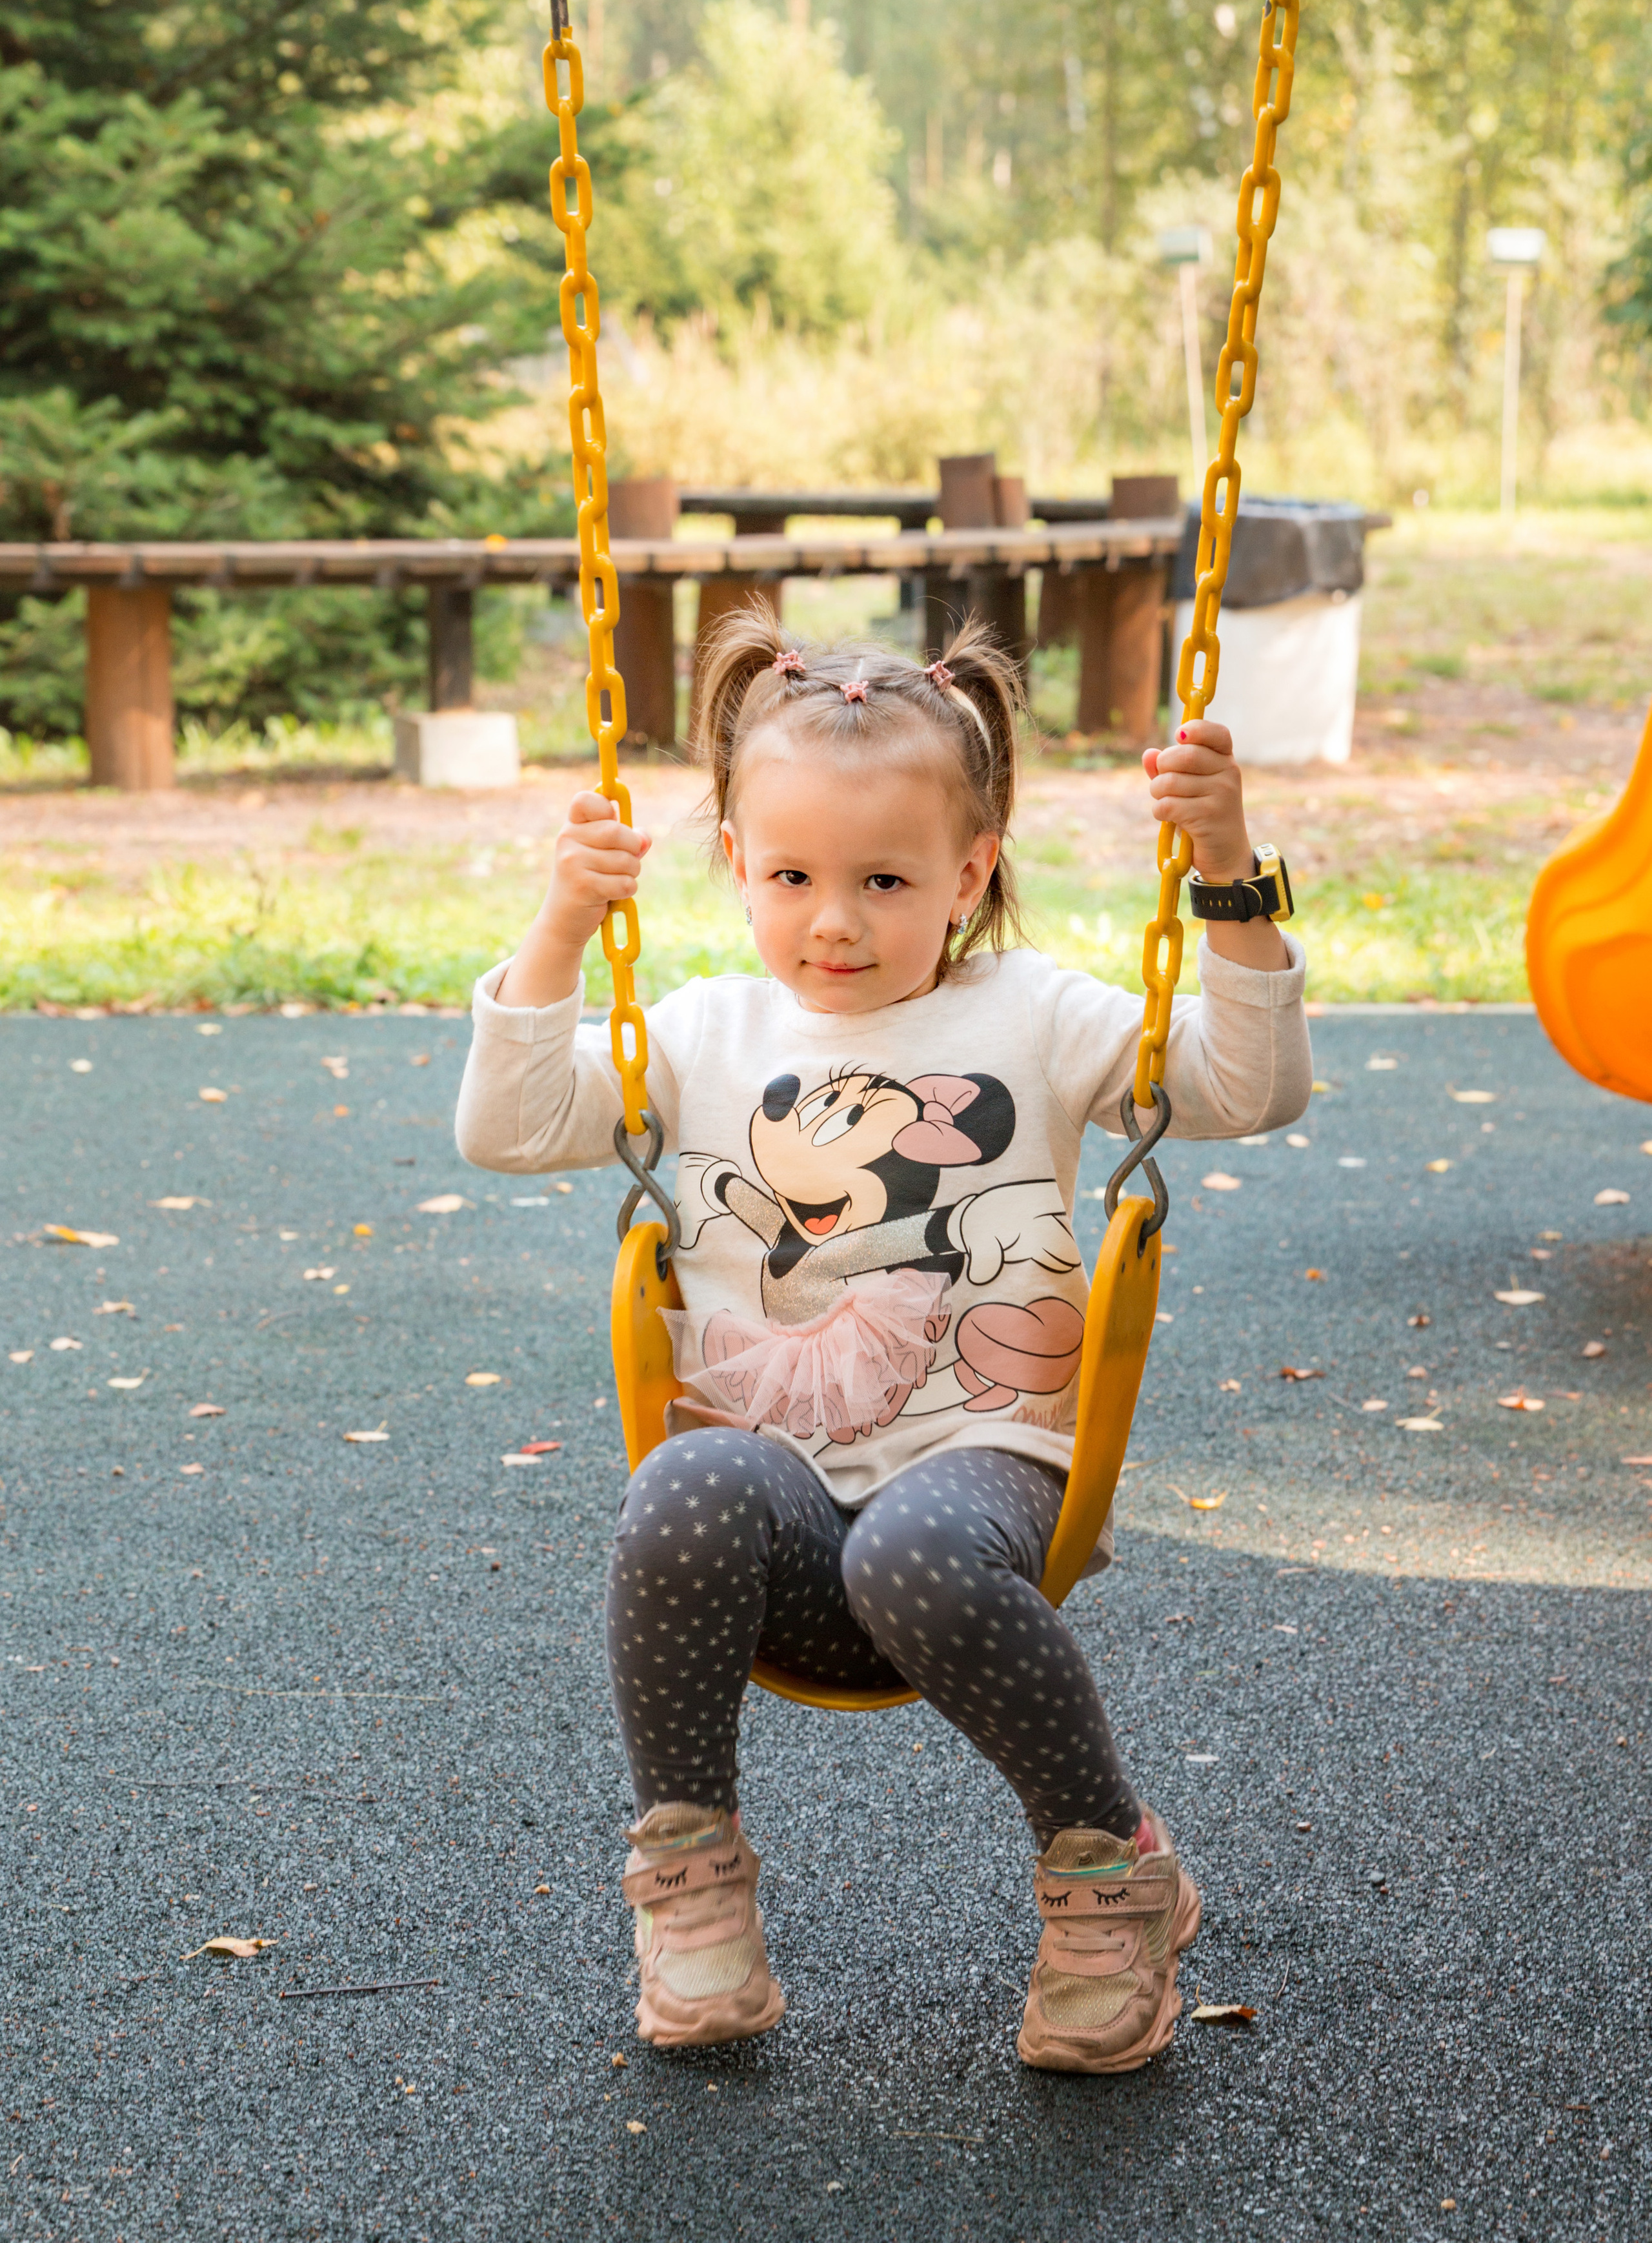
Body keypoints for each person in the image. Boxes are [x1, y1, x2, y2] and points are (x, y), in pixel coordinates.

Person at [455, 613, 1309, 2074]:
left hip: (980, 1470)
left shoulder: (1031, 1014)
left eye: (883, 880)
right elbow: (508, 1128)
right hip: (782, 1488)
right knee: (679, 1484)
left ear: (969, 870)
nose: (830, 921)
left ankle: (1110, 1876)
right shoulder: (702, 1031)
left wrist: (1227, 878)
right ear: (733, 859)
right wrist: (558, 930)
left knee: (903, 1545)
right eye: (789, 876)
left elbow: (1243, 1086)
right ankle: (691, 1880)